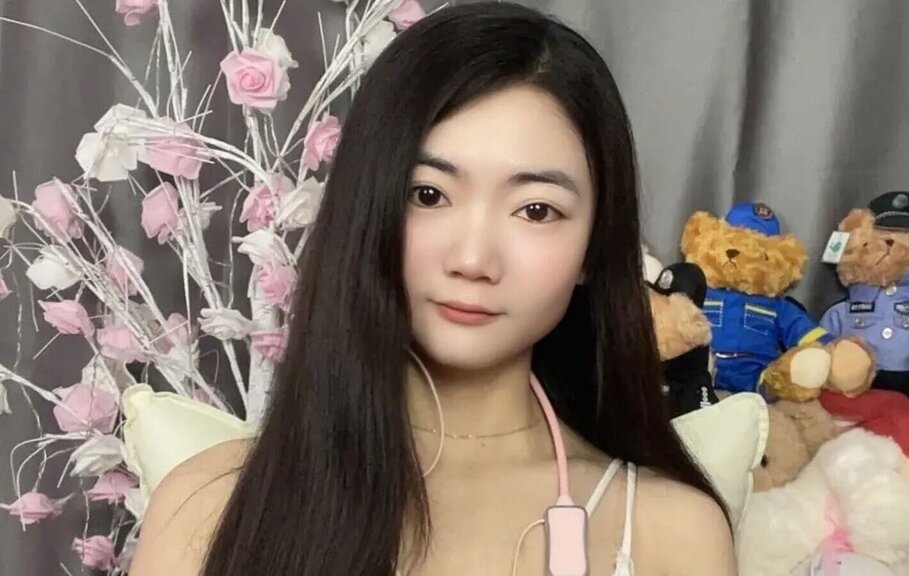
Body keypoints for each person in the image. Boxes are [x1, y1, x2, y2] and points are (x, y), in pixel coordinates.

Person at [129, 3, 736, 575]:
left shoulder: (672, 532)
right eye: (428, 195)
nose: (473, 260)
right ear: (366, 210)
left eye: (536, 210)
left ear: (594, 248)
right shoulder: (204, 507)